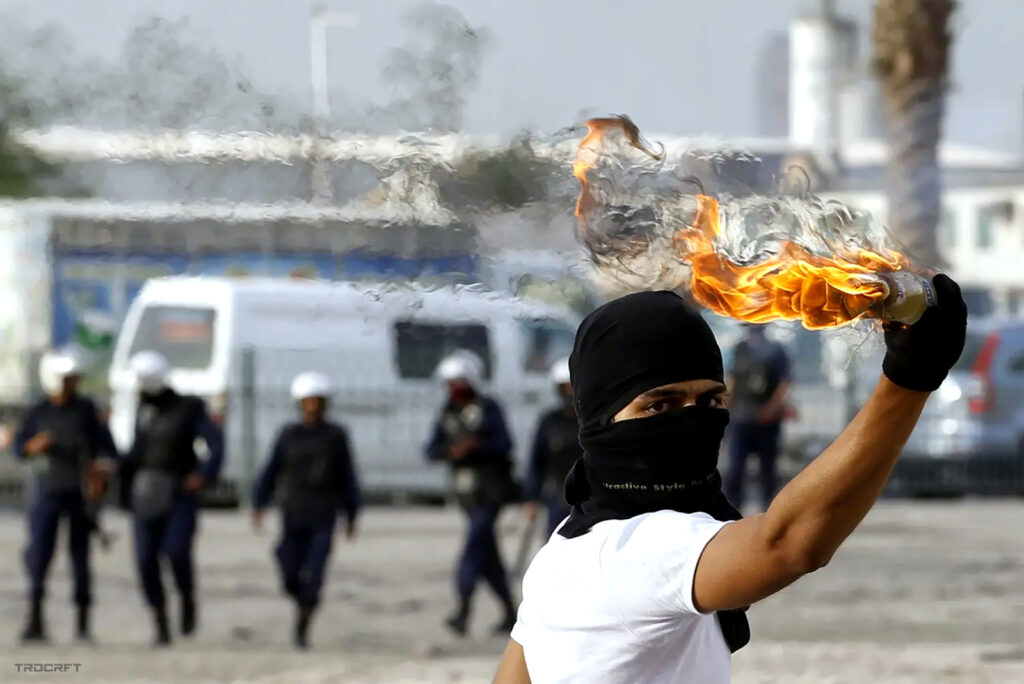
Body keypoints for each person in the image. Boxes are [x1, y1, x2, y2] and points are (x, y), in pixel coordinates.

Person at [496, 279, 966, 683]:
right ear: (600, 417)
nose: (691, 422)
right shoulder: (632, 550)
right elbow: (788, 543)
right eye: (658, 405)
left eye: (710, 401)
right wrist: (908, 381)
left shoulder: (565, 549)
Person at [14, 348, 119, 643]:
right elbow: (19, 448)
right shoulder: (39, 411)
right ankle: (35, 622)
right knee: (39, 557)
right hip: (47, 493)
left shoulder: (86, 411)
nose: (75, 383)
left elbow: (109, 450)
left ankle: (83, 626)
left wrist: (102, 469)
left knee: (81, 560)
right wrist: (33, 445)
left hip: (79, 495)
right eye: (69, 378)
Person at [251, 371, 362, 649]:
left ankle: (304, 621)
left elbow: (348, 476)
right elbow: (270, 470)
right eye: (307, 402)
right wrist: (259, 503)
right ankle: (301, 600)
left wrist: (352, 514)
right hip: (292, 512)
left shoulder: (336, 436)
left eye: (317, 402)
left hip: (324, 513)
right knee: (288, 567)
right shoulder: (288, 435)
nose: (312, 407)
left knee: (315, 571)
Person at [121, 350, 224, 646]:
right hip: (145, 494)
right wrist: (113, 465)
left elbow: (214, 443)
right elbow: (138, 452)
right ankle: (160, 619)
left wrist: (203, 474)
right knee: (145, 560)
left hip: (179, 493)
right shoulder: (144, 411)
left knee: (177, 552)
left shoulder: (189, 408)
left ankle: (187, 597)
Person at [426, 350, 518, 637]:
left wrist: (478, 446)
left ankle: (462, 608)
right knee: (487, 554)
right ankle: (509, 612)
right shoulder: (447, 412)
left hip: (490, 491)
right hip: (465, 493)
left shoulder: (489, 409)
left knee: (473, 546)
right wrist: (450, 452)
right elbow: (431, 449)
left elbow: (505, 444)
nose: (454, 390)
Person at [723, 323, 792, 510]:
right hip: (741, 418)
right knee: (735, 468)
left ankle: (768, 511)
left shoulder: (776, 351)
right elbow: (733, 380)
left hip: (766, 419)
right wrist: (724, 404)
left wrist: (771, 408)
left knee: (767, 470)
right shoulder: (740, 349)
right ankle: (732, 510)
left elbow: (784, 383)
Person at [523, 357, 581, 538]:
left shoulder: (594, 420)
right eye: (566, 388)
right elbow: (536, 461)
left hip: (592, 497)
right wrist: (531, 498)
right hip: (558, 497)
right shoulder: (549, 421)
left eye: (573, 387)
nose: (570, 393)